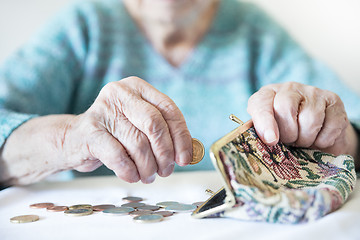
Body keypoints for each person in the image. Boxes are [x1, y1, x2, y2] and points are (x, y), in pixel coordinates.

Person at [0, 0, 359, 188]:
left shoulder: (256, 33)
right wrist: (69, 139)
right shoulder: (83, 27)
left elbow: (351, 124)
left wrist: (335, 135)